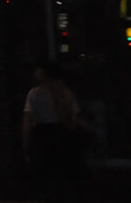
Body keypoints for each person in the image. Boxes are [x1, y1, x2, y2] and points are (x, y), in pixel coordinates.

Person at [22, 60, 85, 202]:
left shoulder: (34, 94)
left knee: (44, 175)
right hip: (61, 134)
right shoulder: (65, 92)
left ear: (43, 73)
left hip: (42, 134)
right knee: (61, 174)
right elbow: (73, 116)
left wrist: (26, 144)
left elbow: (27, 121)